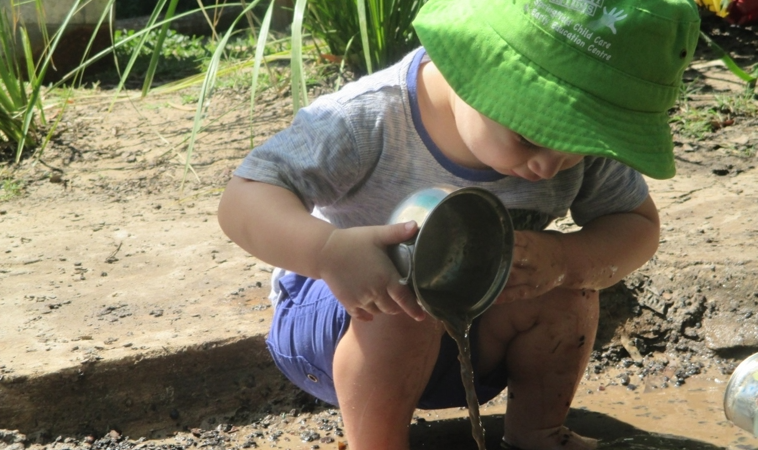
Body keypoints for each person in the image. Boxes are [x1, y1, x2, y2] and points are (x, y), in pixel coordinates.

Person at [217, 0, 701, 448]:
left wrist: (564, 260)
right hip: (340, 328)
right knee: (403, 292)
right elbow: (243, 198)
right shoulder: (367, 119)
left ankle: (538, 432)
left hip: (472, 339)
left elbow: (637, 224)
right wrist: (327, 252)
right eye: (529, 138)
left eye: (578, 147)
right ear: (467, 66)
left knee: (570, 289)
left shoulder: (572, 149)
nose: (549, 165)